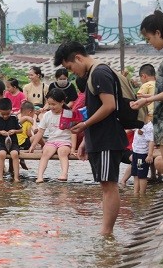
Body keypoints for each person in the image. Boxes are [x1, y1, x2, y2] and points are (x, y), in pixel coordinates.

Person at [54, 41, 128, 235]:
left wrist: (85, 126)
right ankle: (105, 231)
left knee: (109, 185)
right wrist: (87, 139)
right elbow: (94, 109)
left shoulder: (99, 73)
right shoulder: (92, 75)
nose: (72, 72)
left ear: (78, 58)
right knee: (105, 185)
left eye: (70, 67)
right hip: (99, 137)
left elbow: (109, 105)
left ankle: (107, 232)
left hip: (107, 138)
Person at [131, 10, 163, 194]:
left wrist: (150, 99)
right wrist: (148, 99)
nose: (149, 43)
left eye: (149, 38)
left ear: (158, 33)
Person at [28, 88, 77, 183]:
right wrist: (33, 145)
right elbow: (40, 132)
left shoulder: (68, 114)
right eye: (49, 104)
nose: (51, 106)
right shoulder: (47, 115)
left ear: (62, 102)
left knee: (62, 153)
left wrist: (73, 148)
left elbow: (73, 132)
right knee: (45, 153)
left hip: (65, 141)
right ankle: (40, 176)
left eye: (54, 104)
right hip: (52, 141)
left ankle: (64, 173)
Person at [0, 98, 21, 182]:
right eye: (3, 114)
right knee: (2, 154)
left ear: (11, 110)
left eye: (7, 114)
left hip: (12, 142)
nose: (5, 116)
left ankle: (16, 177)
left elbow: (21, 130)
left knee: (15, 154)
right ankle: (0, 177)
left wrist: (14, 131)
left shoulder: (14, 117)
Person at [130, 121, 155, 195]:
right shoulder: (138, 123)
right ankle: (136, 192)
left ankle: (142, 194)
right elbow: (130, 128)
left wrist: (150, 154)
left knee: (142, 175)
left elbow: (151, 141)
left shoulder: (149, 127)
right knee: (135, 174)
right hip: (135, 152)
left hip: (142, 154)